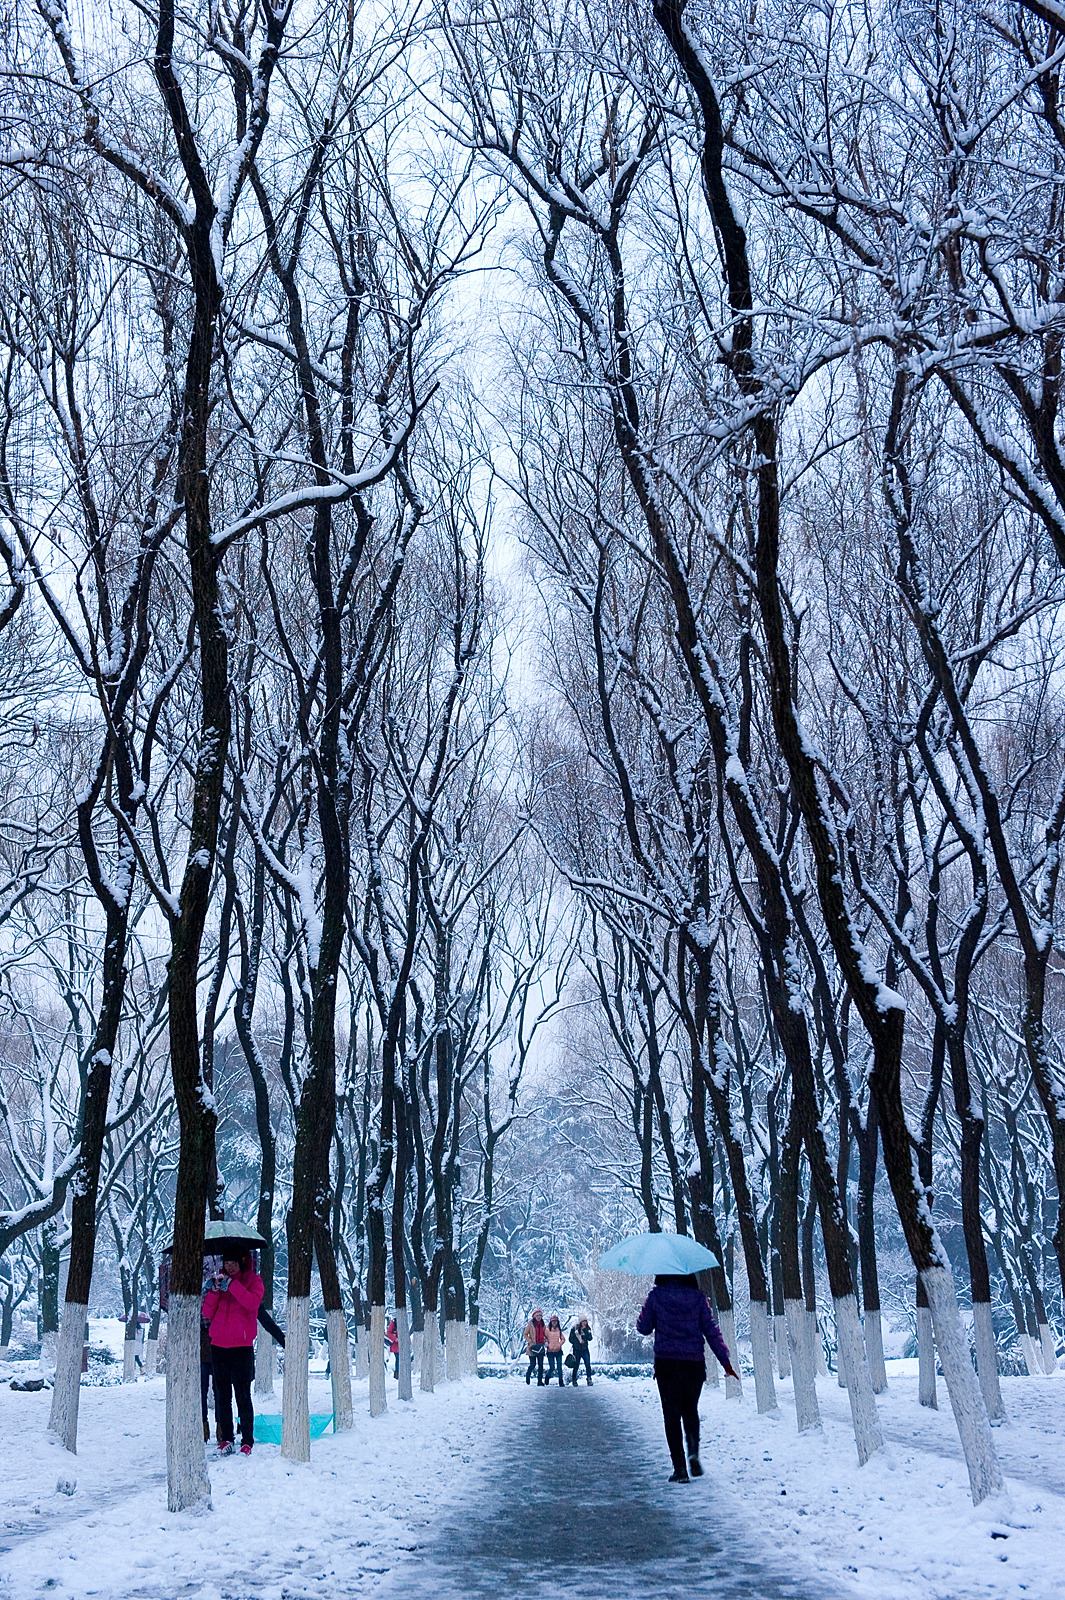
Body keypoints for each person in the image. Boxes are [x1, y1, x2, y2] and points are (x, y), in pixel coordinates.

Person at [636, 1273, 739, 1484]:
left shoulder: (656, 1296)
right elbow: (711, 1331)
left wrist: (648, 1310)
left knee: (671, 1416)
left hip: (667, 1363)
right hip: (693, 1364)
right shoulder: (698, 1298)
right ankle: (693, 1451)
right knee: (690, 1410)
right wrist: (725, 1362)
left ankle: (680, 1469)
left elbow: (643, 1328)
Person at [202, 1250, 264, 1456]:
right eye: (226, 1262)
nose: (229, 1266)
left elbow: (252, 1303)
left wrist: (233, 1286)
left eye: (233, 1262)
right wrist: (213, 1291)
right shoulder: (219, 1282)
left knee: (242, 1395)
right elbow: (207, 1313)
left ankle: (247, 1439)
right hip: (219, 1345)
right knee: (222, 1395)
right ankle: (227, 1437)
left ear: (242, 1262)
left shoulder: (253, 1281)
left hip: (241, 1347)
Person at [523, 1309, 547, 1385]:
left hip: (540, 1347)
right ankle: (528, 1375)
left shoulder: (543, 1325)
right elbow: (525, 1334)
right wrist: (530, 1341)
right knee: (533, 1364)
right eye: (537, 1316)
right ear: (534, 1317)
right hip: (532, 1347)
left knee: (541, 1365)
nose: (539, 1317)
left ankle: (539, 1381)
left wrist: (545, 1341)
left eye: (540, 1316)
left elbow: (545, 1334)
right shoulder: (530, 1325)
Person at [569, 1316, 593, 1386]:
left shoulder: (588, 1329)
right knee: (576, 1365)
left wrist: (586, 1333)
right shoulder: (575, 1329)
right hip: (577, 1349)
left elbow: (590, 1338)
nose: (584, 1323)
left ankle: (589, 1379)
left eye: (585, 1321)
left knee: (588, 1364)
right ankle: (574, 1379)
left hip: (585, 1349)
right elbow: (570, 1339)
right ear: (580, 1322)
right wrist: (577, 1341)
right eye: (583, 1321)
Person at [544, 1314, 567, 1387]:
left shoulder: (559, 1330)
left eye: (555, 1321)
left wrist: (559, 1344)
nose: (554, 1323)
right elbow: (544, 1338)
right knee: (552, 1367)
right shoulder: (547, 1330)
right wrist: (547, 1344)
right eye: (553, 1321)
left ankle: (561, 1381)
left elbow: (563, 1339)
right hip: (550, 1351)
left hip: (558, 1350)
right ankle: (547, 1377)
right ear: (550, 1322)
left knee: (559, 1367)